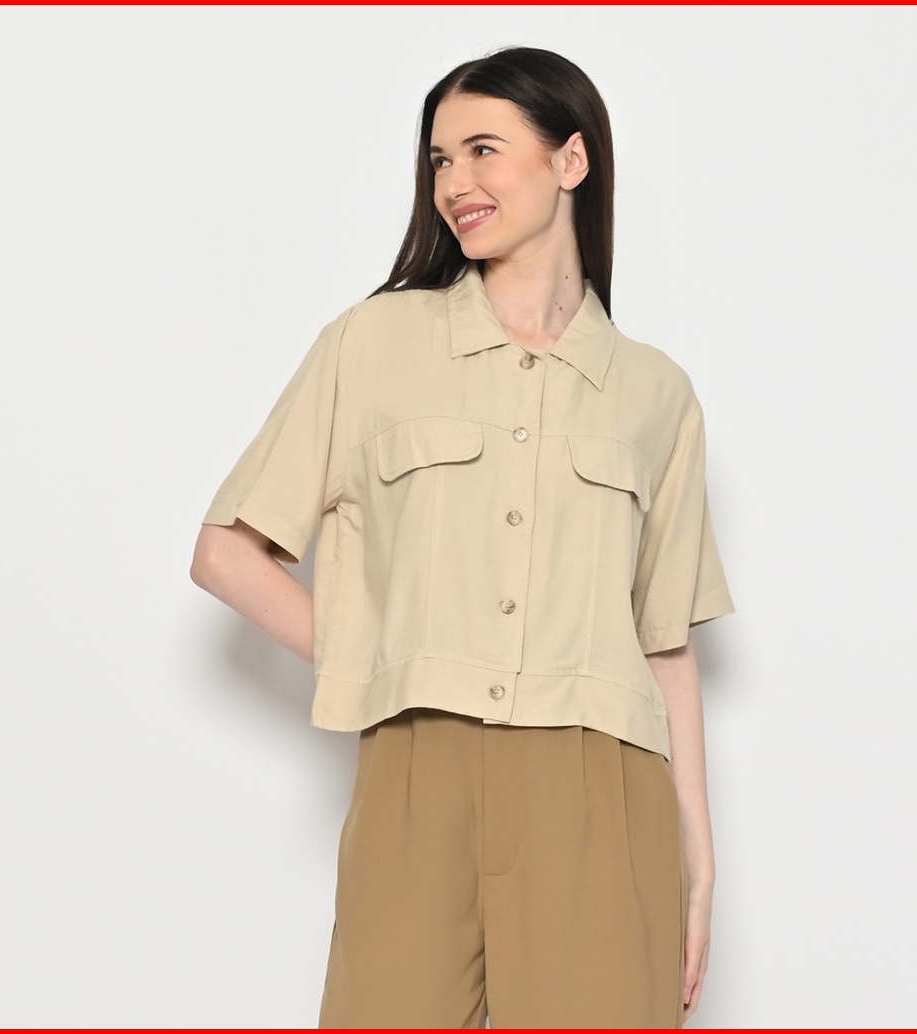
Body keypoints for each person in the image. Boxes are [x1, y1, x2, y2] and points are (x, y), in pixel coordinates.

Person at [191, 46, 734, 1029]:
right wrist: (378, 657)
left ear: (570, 159)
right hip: (416, 767)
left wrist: (699, 866)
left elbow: (663, 646)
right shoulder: (372, 344)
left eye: (482, 149)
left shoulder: (656, 393)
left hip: (599, 785)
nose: (453, 182)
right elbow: (226, 551)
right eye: (439, 159)